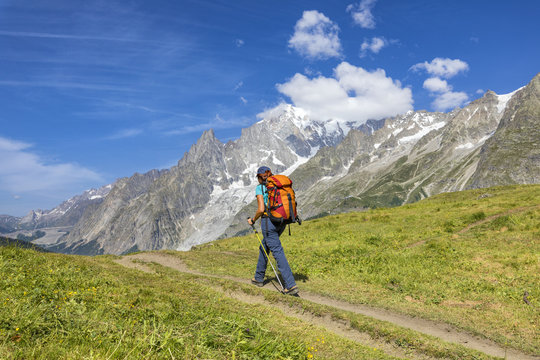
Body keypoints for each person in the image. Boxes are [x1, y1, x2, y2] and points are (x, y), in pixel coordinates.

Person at [247, 166, 299, 295]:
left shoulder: (261, 188)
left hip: (268, 221)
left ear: (260, 177)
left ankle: (290, 285)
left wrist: (253, 220)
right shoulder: (279, 185)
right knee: (264, 246)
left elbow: (260, 209)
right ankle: (258, 278)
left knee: (277, 251)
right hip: (282, 221)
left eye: (258, 177)